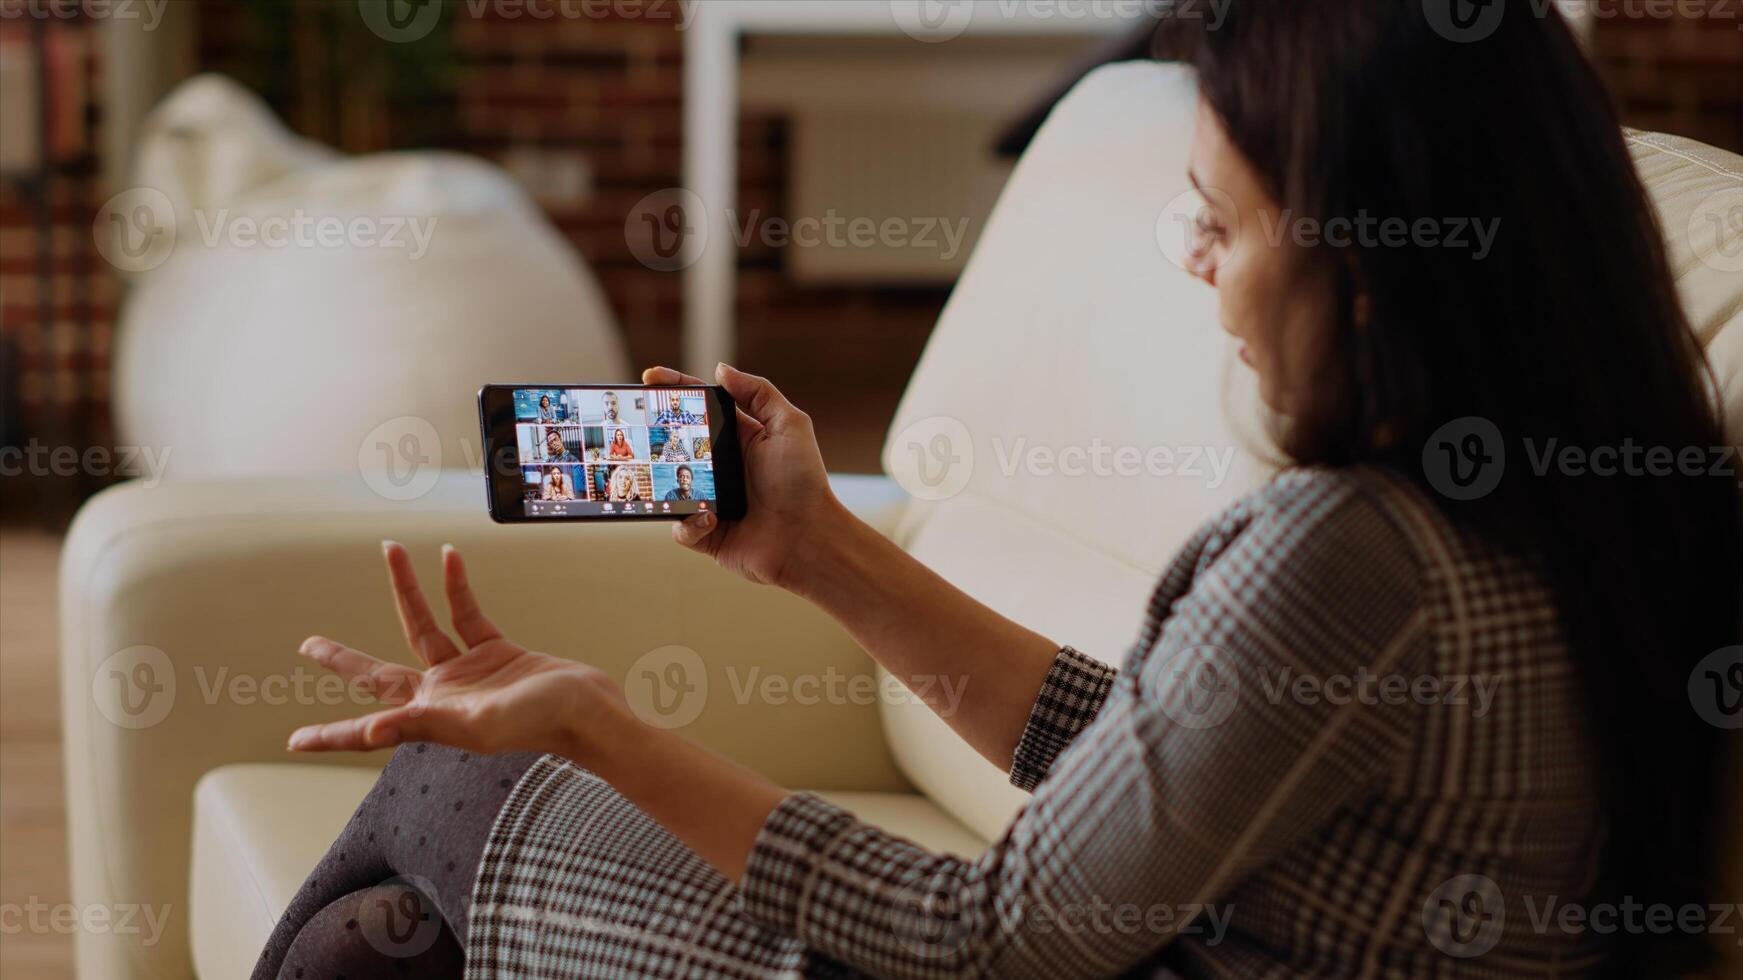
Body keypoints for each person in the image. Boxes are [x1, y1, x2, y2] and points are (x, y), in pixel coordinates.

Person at [255, 5, 1741, 979]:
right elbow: (1174, 766)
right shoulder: (1608, 505)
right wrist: (820, 550)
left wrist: (593, 720)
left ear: (1366, 257)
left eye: (1218, 218)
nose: (1195, 258)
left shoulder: (1355, 547)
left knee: (447, 785)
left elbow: (988, 938)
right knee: (393, 937)